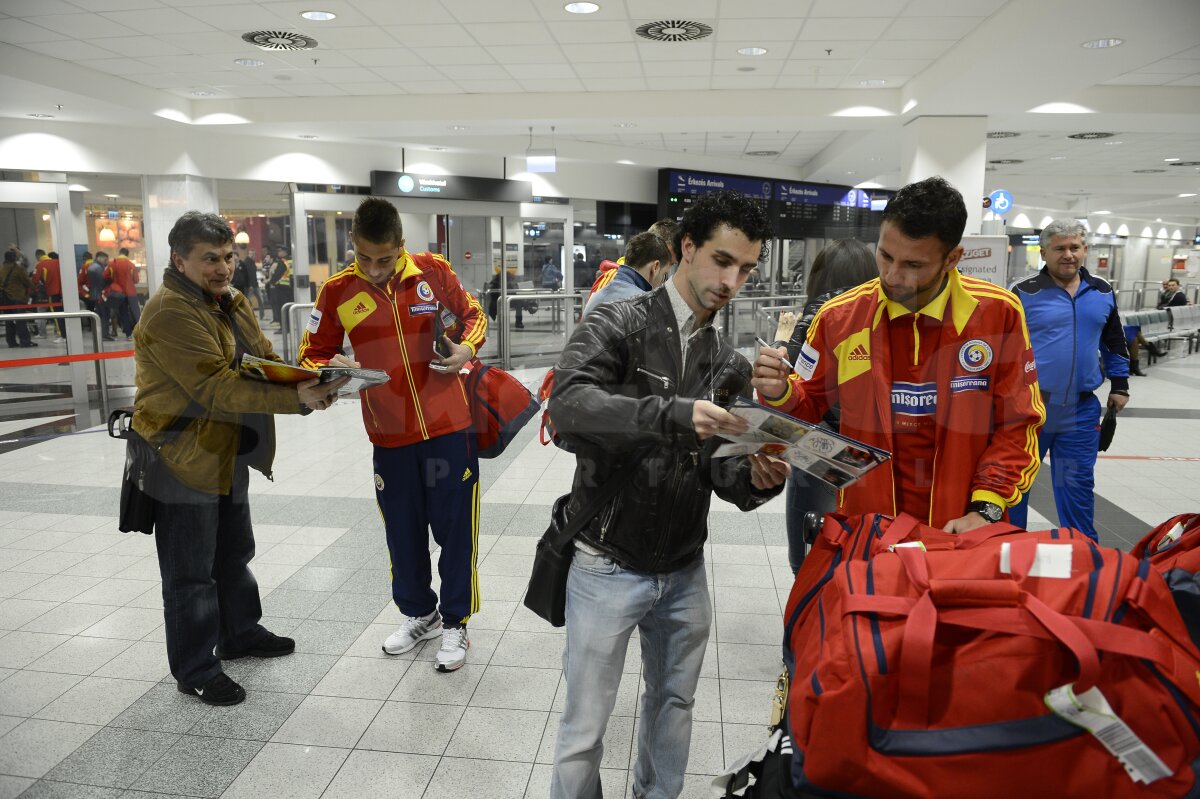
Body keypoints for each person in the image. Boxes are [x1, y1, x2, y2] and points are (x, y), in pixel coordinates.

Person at [548, 190, 789, 799]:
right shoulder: (618, 321)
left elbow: (718, 471)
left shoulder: (725, 362)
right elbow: (569, 409)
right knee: (585, 728)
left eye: (747, 269)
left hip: (684, 567)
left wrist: (756, 478)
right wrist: (673, 413)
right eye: (721, 260)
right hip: (607, 560)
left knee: (674, 705)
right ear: (686, 248)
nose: (732, 281)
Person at [132, 211, 345, 707]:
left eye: (228, 257)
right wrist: (299, 400)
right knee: (190, 573)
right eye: (210, 259)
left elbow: (262, 361)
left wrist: (315, 375)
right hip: (179, 455)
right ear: (178, 259)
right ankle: (195, 667)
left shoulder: (230, 300)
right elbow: (214, 387)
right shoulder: (169, 312)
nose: (223, 268)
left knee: (233, 552)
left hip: (225, 448)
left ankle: (239, 632)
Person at [753, 176, 1045, 532]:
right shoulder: (838, 317)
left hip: (963, 529)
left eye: (913, 265)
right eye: (885, 255)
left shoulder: (999, 314)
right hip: (867, 531)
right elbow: (805, 406)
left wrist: (986, 508)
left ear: (952, 258)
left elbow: (1018, 424)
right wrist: (778, 391)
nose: (892, 275)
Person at [298, 197, 488, 672]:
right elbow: (311, 353)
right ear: (353, 247)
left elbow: (474, 316)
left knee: (454, 531)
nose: (375, 268)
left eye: (384, 259)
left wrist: (466, 349)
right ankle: (419, 613)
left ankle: (455, 623)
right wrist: (330, 366)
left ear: (401, 246)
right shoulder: (338, 291)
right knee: (402, 534)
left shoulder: (432, 271)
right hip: (388, 434)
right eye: (364, 258)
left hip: (449, 429)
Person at [1008, 220, 1130, 539]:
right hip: (1031, 407)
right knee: (1015, 484)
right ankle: (1006, 549)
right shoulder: (1023, 292)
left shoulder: (1102, 290)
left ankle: (1082, 551)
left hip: (1081, 408)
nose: (1068, 255)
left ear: (1085, 250)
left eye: (1075, 247)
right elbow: (1004, 348)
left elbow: (1114, 340)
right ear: (1044, 251)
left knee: (1076, 484)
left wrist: (1120, 385)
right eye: (1060, 248)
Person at [780, 239, 878, 572]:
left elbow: (796, 379)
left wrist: (781, 341)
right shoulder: (881, 312)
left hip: (822, 444)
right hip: (871, 447)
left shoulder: (822, 309)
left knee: (810, 553)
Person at [582, 230, 671, 315]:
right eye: (664, 274)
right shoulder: (647, 306)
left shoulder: (595, 298)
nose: (663, 282)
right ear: (655, 267)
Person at [0, 250, 34, 348]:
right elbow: (28, 282)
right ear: (14, 258)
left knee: (9, 321)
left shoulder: (2, 270)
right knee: (20, 320)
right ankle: (25, 341)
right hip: (17, 298)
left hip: (5, 300)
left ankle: (11, 342)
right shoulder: (18, 269)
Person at [105, 247, 140, 338]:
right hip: (131, 292)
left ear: (119, 253)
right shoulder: (131, 265)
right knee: (136, 313)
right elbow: (136, 280)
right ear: (127, 254)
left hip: (118, 293)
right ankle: (141, 333)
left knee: (123, 312)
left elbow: (105, 276)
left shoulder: (112, 264)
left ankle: (128, 334)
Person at [233, 245, 263, 319]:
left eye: (253, 254)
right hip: (249, 285)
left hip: (254, 285)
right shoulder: (246, 262)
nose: (252, 255)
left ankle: (260, 316)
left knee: (260, 301)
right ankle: (249, 315)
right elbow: (248, 275)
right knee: (247, 301)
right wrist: (249, 285)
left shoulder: (250, 263)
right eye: (250, 254)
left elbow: (250, 275)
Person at [265, 247, 292, 327]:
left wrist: (272, 281)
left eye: (279, 251)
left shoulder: (283, 262)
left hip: (281, 287)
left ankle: (283, 327)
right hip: (290, 287)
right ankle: (287, 327)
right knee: (288, 309)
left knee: (282, 308)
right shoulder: (291, 260)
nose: (278, 253)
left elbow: (277, 274)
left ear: (284, 252)